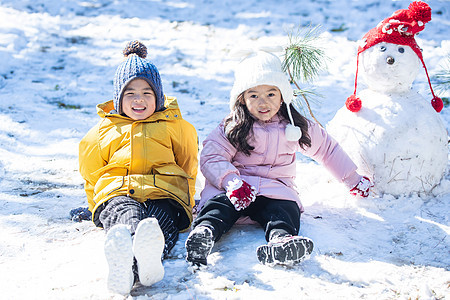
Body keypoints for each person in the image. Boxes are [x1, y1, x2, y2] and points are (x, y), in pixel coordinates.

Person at [185, 50, 372, 267]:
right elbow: (212, 156)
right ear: (242, 99)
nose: (263, 102)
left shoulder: (294, 127)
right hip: (235, 189)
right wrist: (231, 182)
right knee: (219, 206)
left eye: (271, 94)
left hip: (275, 189)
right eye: (254, 95)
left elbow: (327, 150)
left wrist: (352, 179)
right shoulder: (233, 127)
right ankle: (204, 233)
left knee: (285, 209)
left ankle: (281, 241)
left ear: (283, 96)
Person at [78, 40, 198, 295]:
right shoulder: (102, 131)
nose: (139, 100)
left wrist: (187, 202)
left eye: (147, 92)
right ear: (118, 99)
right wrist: (94, 205)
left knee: (158, 222)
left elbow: (188, 165)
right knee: (125, 217)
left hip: (165, 192)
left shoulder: (175, 126)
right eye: (130, 93)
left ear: (159, 96)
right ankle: (129, 251)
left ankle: (144, 260)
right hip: (119, 191)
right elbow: (91, 173)